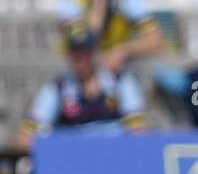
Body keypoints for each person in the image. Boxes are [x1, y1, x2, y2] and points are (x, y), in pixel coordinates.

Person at [17, 21, 147, 151]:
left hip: (115, 155)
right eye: (75, 53)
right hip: (72, 160)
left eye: (85, 53)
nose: (81, 60)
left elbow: (137, 132)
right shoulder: (57, 89)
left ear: (95, 52)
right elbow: (25, 137)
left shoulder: (121, 82)